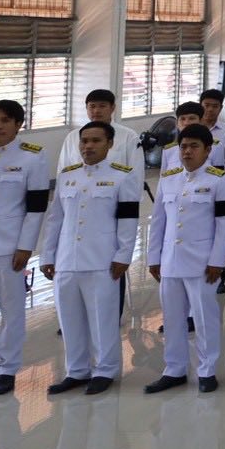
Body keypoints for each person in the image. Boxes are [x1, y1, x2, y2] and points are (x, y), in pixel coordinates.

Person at [39, 121, 140, 395]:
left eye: (96, 141)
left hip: (102, 260)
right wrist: (48, 255)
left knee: (102, 318)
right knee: (69, 319)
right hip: (67, 260)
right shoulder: (67, 176)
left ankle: (105, 370)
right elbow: (55, 219)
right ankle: (77, 370)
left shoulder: (122, 176)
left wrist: (123, 255)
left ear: (110, 144)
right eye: (84, 141)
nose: (88, 146)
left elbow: (128, 220)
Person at [144, 123, 225, 394]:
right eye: (183, 146)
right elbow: (158, 221)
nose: (187, 152)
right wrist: (153, 257)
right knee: (172, 319)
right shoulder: (169, 179)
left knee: (205, 318)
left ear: (208, 150)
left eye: (194, 146)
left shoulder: (220, 180)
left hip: (202, 263)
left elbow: (224, 224)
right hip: (171, 261)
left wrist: (218, 260)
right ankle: (174, 369)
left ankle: (207, 370)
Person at [0, 100, 48, 395]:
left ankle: (7, 368)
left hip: (10, 246)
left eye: (5, 120)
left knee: (12, 310)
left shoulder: (33, 157)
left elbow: (36, 208)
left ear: (18, 125)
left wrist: (25, 246)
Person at [54, 89, 144, 177]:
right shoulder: (73, 136)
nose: (96, 111)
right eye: (92, 106)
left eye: (102, 106)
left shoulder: (128, 136)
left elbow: (137, 173)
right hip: (78, 185)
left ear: (112, 108)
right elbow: (63, 170)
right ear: (86, 108)